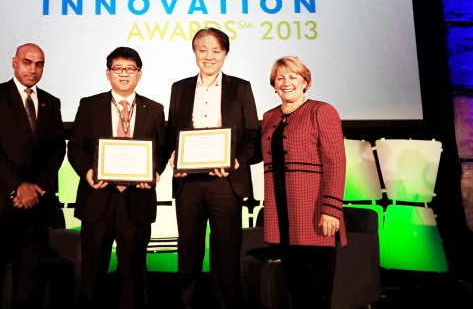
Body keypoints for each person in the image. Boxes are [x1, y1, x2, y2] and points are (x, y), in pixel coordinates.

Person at [67, 47, 169, 309]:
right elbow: (75, 147)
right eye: (118, 69)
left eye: (130, 69)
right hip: (97, 199)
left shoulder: (154, 109)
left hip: (137, 202)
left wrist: (154, 172)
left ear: (139, 74)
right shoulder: (89, 105)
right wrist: (88, 171)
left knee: (133, 276)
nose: (124, 74)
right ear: (108, 73)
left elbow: (162, 148)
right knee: (92, 276)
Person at [167, 28, 260, 309]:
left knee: (227, 254)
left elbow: (252, 136)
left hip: (226, 182)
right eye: (202, 50)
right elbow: (174, 132)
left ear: (225, 54)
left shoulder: (241, 87)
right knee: (188, 253)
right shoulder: (179, 88)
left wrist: (235, 161)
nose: (209, 56)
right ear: (194, 52)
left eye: (215, 50)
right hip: (189, 183)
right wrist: (175, 156)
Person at [0, 43, 66, 309]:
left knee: (30, 276)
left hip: (35, 204)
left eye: (39, 64)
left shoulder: (52, 101)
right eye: (27, 62)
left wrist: (35, 188)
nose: (33, 69)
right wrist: (18, 187)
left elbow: (58, 149)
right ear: (14, 62)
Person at [261, 56, 347, 309]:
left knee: (316, 293)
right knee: (296, 289)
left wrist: (331, 209)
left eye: (293, 77)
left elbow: (336, 162)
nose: (286, 82)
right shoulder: (269, 116)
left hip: (314, 215)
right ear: (274, 85)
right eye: (280, 78)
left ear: (305, 82)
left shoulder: (322, 111)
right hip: (283, 216)